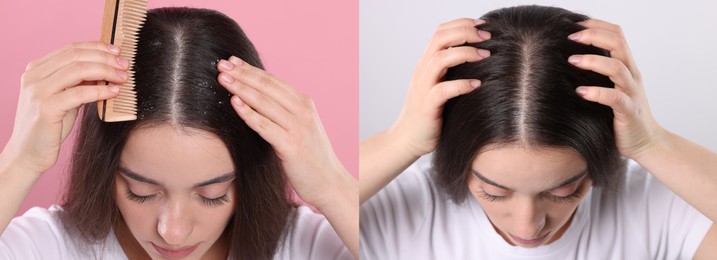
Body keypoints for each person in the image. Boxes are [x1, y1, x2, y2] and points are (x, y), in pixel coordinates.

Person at [360, 5, 716, 259]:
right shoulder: (399, 211)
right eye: (493, 192)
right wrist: (401, 140)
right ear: (457, 158)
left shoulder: (657, 208)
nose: (529, 227)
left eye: (565, 190)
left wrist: (651, 143)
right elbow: (314, 205)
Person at [0, 7, 357, 259]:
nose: (172, 232)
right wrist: (21, 160)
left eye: (212, 194)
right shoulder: (51, 247)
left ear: (249, 176)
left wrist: (331, 186)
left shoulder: (308, 247)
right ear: (106, 170)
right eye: (141, 192)